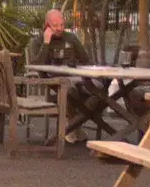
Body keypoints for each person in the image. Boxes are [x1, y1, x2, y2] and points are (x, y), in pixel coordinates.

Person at [24, 10, 101, 143]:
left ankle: (72, 124)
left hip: (74, 78)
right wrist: (46, 42)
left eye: (62, 24)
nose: (60, 28)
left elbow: (86, 60)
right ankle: (74, 126)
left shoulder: (70, 38)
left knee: (98, 92)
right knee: (68, 90)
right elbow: (35, 65)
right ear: (47, 25)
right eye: (55, 25)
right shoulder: (37, 41)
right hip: (50, 79)